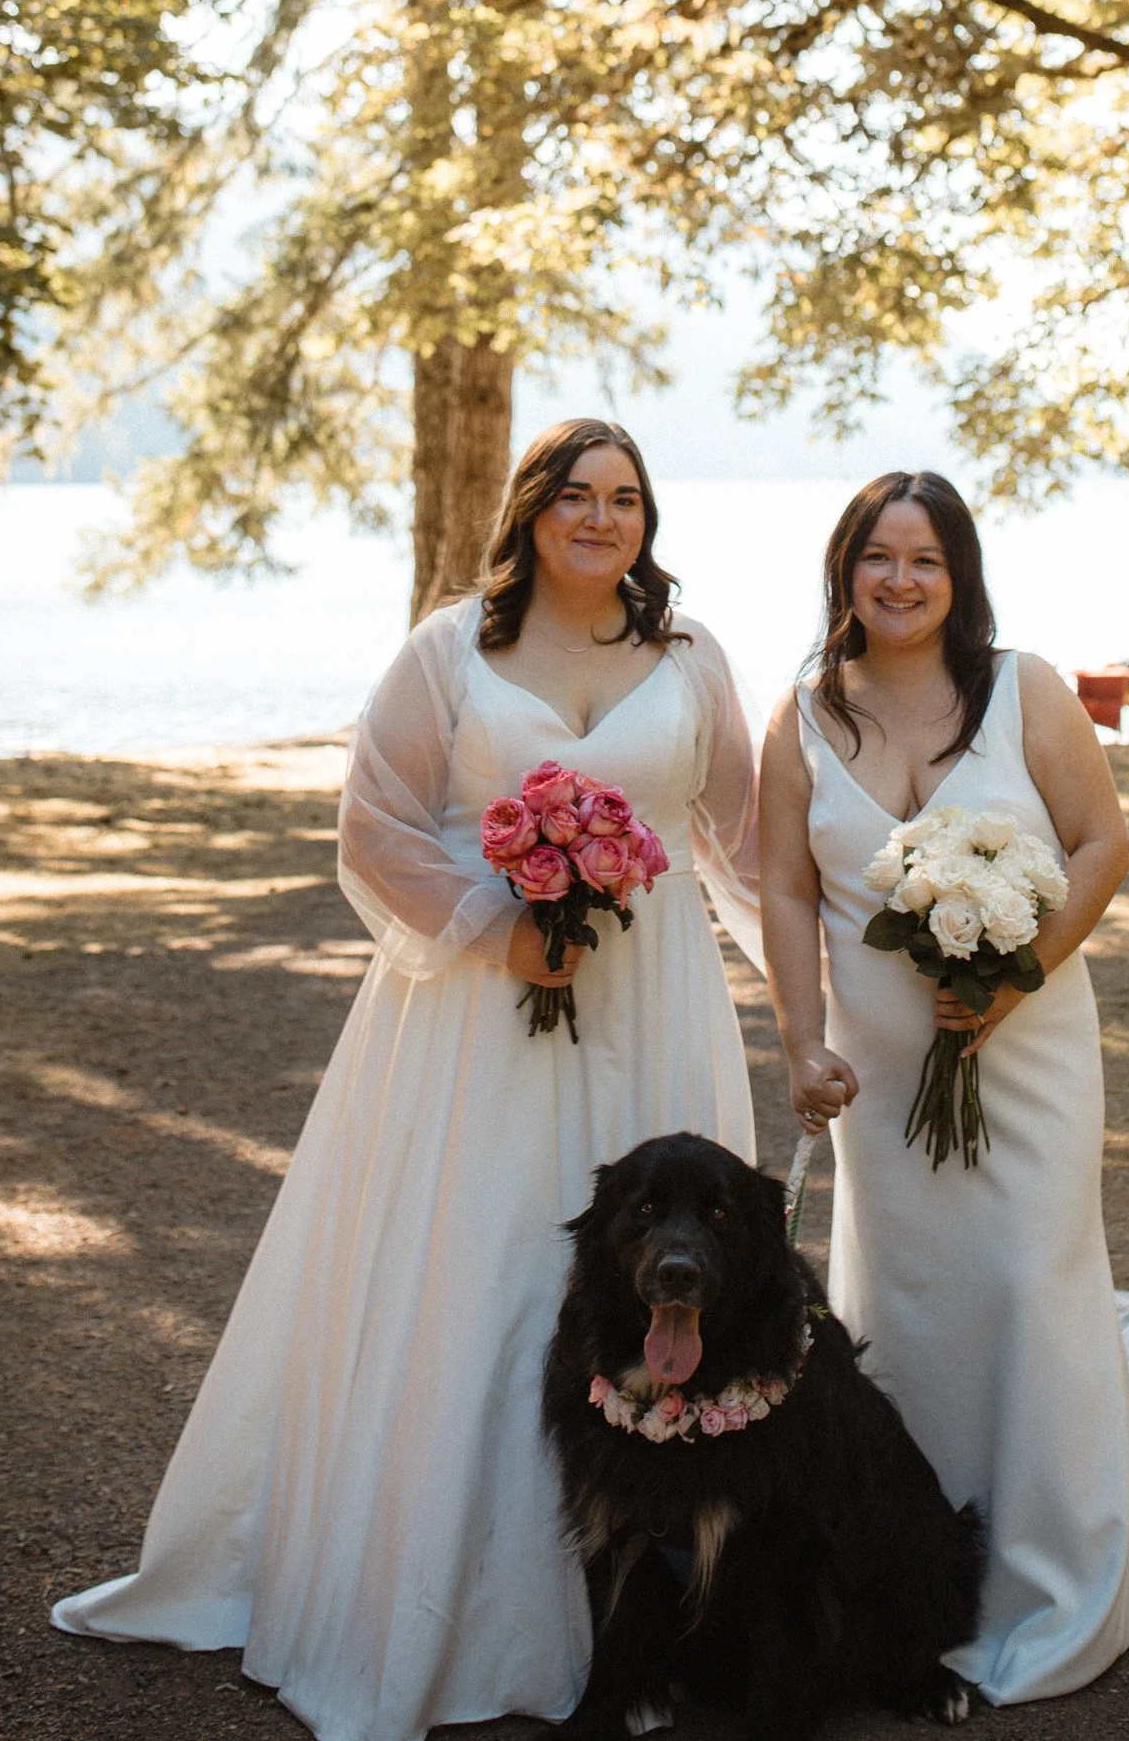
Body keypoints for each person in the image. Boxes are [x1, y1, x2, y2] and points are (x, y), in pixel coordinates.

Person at [54, 418, 761, 1741]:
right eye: (572, 496)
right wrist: (506, 929)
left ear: (645, 520)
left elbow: (748, 839)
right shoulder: (449, 650)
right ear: (530, 510)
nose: (599, 519)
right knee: (478, 1269)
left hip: (651, 1000)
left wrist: (833, 996)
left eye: (623, 499)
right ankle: (447, 1596)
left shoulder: (691, 655)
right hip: (476, 1014)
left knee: (654, 1275)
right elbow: (372, 824)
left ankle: (650, 1610)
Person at [758, 469, 1129, 1703]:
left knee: (1028, 1282)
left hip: (1031, 1057)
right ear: (845, 572)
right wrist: (797, 1040)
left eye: (925, 560)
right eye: (877, 557)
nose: (899, 579)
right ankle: (915, 1573)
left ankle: (1063, 1572)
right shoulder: (801, 715)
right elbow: (784, 888)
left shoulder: (1023, 691)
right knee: (914, 1306)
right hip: (880, 1076)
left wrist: (1018, 976)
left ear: (960, 576)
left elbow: (1105, 845)